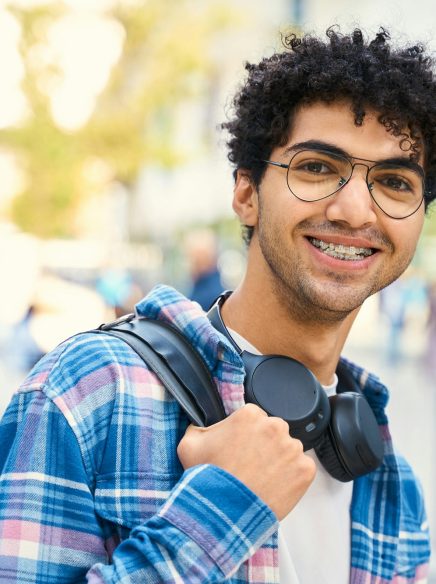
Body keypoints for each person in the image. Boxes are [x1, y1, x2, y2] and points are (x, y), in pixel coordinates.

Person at [0, 27, 434, 583]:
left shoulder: (389, 474)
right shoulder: (88, 392)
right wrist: (222, 510)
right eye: (317, 168)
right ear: (247, 194)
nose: (355, 211)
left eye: (395, 182)